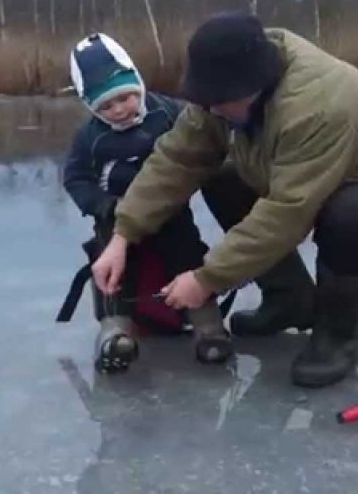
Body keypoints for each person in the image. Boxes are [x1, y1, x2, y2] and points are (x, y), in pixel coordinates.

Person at [91, 12, 358, 388]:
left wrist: (207, 279)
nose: (210, 110)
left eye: (219, 102)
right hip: (302, 167)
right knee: (223, 179)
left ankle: (336, 335)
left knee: (349, 221)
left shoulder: (317, 105)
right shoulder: (225, 85)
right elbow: (178, 158)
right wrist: (123, 235)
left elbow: (287, 213)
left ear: (253, 88)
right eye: (205, 100)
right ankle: (288, 299)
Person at [61, 32, 233, 373]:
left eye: (124, 97)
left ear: (137, 83)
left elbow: (206, 141)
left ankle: (208, 326)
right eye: (106, 106)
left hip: (170, 211)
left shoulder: (170, 113)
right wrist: (100, 204)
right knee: (110, 268)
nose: (119, 110)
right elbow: (76, 178)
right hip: (114, 216)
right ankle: (115, 332)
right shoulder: (90, 138)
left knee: (187, 254)